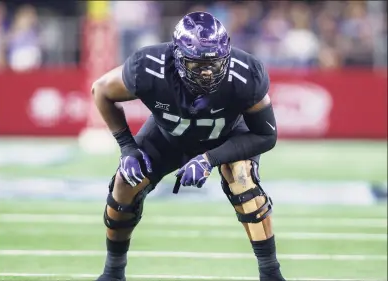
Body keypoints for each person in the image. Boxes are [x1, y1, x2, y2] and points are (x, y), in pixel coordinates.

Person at [93, 11, 286, 281]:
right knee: (124, 184)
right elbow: (101, 90)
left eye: (216, 64)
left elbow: (266, 135)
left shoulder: (246, 73)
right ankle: (113, 273)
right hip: (168, 134)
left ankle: (271, 274)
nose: (208, 72)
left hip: (227, 135)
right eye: (197, 65)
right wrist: (127, 147)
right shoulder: (149, 66)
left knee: (244, 182)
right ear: (178, 57)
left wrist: (209, 159)